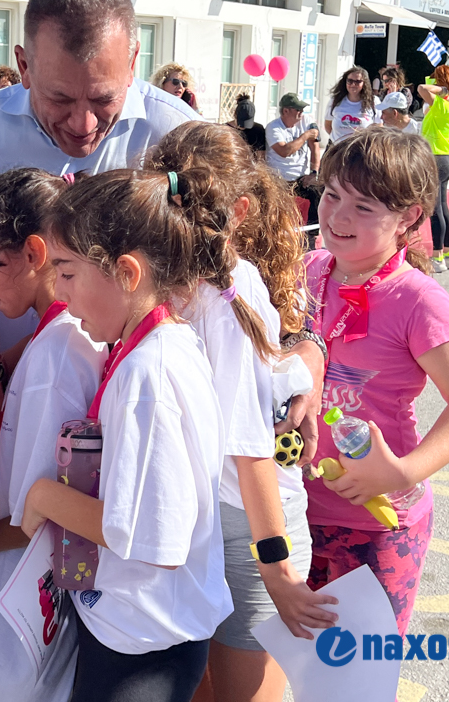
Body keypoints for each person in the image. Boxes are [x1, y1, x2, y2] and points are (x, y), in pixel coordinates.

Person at [143, 125, 336, 702]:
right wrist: (277, 567)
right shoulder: (231, 289)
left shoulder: (150, 282)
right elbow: (246, 444)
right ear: (243, 208)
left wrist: (304, 356)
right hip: (252, 523)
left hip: (191, 518)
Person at [21, 168, 229, 702]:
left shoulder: (148, 372)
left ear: (127, 273)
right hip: (137, 626)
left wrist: (45, 496)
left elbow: (151, 540)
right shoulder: (155, 345)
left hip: (142, 642)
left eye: (66, 272)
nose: (60, 295)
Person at [305, 127, 449, 637]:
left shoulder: (419, 300)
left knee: (354, 677)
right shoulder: (306, 271)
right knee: (291, 667)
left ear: (409, 216)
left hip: (375, 524)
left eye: (364, 207)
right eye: (332, 195)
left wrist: (403, 472)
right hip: (291, 511)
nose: (338, 217)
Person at [0, 168, 106, 702]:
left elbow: (36, 514)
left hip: (25, 577)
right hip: (37, 575)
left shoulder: (57, 350)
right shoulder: (58, 334)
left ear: (35, 253)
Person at [0, 0, 200, 227]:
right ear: (24, 67)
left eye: (103, 99)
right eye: (60, 99)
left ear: (132, 64)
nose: (83, 125)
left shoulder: (183, 137)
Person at [417, 64, 449, 273]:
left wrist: (443, 89)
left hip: (433, 158)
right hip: (446, 158)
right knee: (443, 207)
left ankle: (437, 256)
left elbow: (421, 88)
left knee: (435, 210)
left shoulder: (441, 105)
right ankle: (448, 253)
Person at [266, 92, 322, 234]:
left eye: (302, 109)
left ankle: (312, 234)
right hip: (279, 178)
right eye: (298, 110)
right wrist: (305, 136)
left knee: (320, 192)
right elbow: (285, 151)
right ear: (286, 111)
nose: (301, 113)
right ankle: (274, 233)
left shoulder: (305, 120)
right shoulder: (273, 127)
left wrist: (314, 173)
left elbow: (315, 145)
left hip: (300, 178)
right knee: (274, 208)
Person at [324, 65, 376, 145]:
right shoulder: (335, 100)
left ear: (364, 83)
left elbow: (378, 129)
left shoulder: (373, 102)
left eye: (358, 82)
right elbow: (328, 126)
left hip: (361, 150)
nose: (353, 84)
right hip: (336, 149)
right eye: (350, 81)